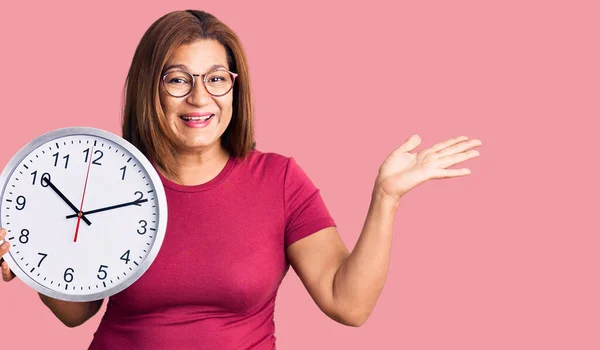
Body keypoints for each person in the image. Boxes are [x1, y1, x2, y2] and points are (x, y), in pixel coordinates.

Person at [0, 9, 482, 349]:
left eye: (216, 78)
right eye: (176, 79)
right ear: (151, 89)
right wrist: (28, 259)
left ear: (235, 87)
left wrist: (386, 197)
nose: (199, 98)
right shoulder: (105, 180)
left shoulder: (279, 180)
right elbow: (75, 313)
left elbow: (346, 303)